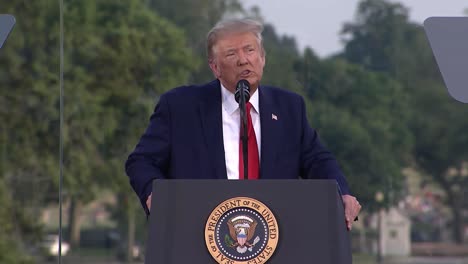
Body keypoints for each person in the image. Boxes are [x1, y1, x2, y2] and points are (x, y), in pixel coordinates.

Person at [125, 18, 361, 229]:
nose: (242, 60)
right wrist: (155, 195)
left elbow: (317, 160)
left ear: (262, 58)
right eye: (230, 54)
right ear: (215, 67)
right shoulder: (179, 107)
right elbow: (141, 161)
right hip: (197, 234)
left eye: (249, 50)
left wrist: (341, 193)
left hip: (275, 239)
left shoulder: (289, 107)